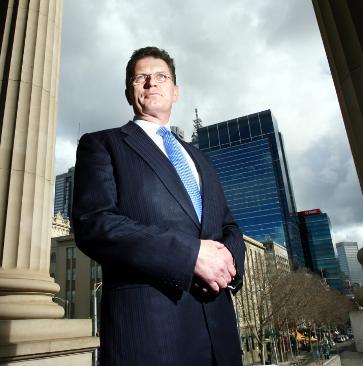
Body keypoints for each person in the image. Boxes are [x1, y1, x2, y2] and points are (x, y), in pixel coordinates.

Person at [72, 46, 245, 366]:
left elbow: (229, 225)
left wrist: (228, 264)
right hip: (151, 334)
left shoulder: (201, 159)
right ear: (129, 92)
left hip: (221, 336)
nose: (151, 83)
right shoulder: (102, 145)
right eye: (141, 77)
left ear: (175, 91)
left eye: (161, 76)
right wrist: (189, 255)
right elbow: (94, 223)